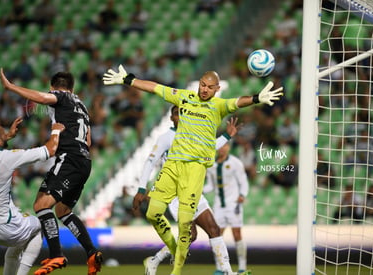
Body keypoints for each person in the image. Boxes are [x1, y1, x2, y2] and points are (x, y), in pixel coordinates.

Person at [103, 64, 283, 275]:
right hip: (172, 169)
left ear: (216, 89)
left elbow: (237, 103)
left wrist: (255, 99)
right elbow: (155, 87)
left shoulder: (218, 106)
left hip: (195, 171)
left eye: (209, 87)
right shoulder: (183, 98)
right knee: (155, 215)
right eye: (202, 85)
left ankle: (189, 271)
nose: (204, 89)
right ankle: (163, 254)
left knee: (192, 228)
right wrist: (129, 80)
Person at [0, 69, 103, 275]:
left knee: (41, 204)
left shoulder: (61, 96)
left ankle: (56, 253)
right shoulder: (82, 106)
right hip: (84, 161)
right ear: (73, 87)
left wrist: (11, 87)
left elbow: (40, 97)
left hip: (69, 159)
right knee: (62, 211)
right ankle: (91, 252)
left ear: (53, 87)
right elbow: (89, 141)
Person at [132, 105, 243, 275]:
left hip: (193, 189)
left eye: (184, 113)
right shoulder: (165, 138)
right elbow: (150, 162)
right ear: (171, 118)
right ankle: (155, 261)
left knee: (213, 228)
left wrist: (227, 135)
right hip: (176, 193)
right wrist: (141, 187)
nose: (181, 116)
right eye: (177, 114)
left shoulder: (193, 135)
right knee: (190, 234)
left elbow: (210, 146)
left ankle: (227, 271)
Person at [0, 117, 65, 275]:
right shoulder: (5, 158)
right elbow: (50, 150)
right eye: (3, 134)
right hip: (6, 226)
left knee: (17, 245)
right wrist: (55, 129)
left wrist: (3, 137)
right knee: (40, 225)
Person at [204, 143, 249, 273]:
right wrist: (200, 190)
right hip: (219, 205)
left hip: (233, 204)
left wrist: (242, 195)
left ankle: (242, 267)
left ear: (228, 147)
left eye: (225, 146)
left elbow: (243, 180)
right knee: (216, 235)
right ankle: (219, 268)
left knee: (237, 234)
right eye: (220, 146)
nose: (222, 148)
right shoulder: (211, 165)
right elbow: (211, 185)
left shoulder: (235, 163)